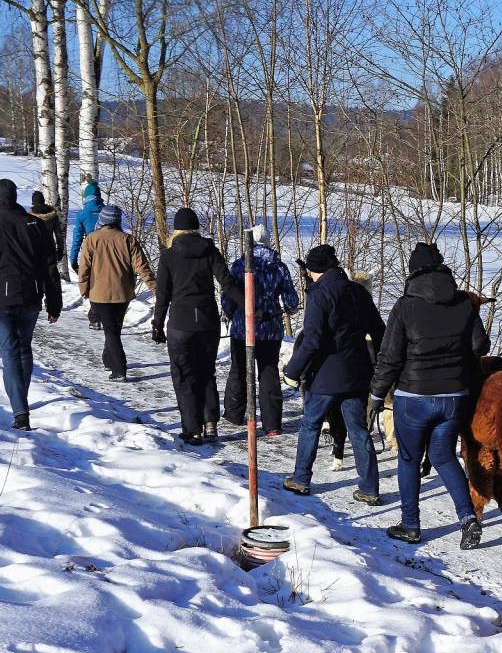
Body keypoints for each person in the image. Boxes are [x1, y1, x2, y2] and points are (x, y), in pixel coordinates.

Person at [371, 241, 489, 546]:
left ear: (413, 273)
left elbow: (390, 357)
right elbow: (480, 347)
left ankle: (410, 524)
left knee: (409, 459)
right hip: (454, 397)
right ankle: (467, 518)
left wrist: (375, 395)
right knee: (443, 456)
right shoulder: (463, 304)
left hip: (414, 397)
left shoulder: (405, 306)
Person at [283, 244, 385, 504]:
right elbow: (379, 331)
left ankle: (301, 478)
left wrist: (292, 371)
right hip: (356, 374)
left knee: (310, 425)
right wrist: (381, 367)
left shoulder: (320, 294)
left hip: (326, 376)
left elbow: (313, 339)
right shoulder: (359, 292)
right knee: (359, 431)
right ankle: (370, 488)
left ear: (314, 270)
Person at [0, 178, 62, 430]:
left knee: (10, 353)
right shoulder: (35, 225)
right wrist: (54, 302)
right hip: (31, 296)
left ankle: (20, 412)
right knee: (23, 349)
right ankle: (21, 400)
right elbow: (50, 267)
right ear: (15, 198)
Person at [151, 208, 233, 445]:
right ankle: (210, 422)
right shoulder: (210, 251)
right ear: (196, 227)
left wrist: (157, 324)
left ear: (176, 229)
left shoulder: (168, 256)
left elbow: (163, 295)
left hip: (180, 323)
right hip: (208, 321)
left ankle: (192, 429)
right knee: (207, 371)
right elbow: (226, 283)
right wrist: (250, 306)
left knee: (184, 375)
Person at [222, 225, 299, 437]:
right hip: (270, 328)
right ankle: (272, 424)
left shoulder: (239, 265)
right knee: (268, 373)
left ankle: (234, 414)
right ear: (267, 243)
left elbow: (228, 296)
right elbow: (292, 301)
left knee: (239, 370)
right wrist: (285, 307)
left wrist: (231, 314)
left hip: (242, 326)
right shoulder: (279, 267)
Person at [76, 204, 155, 381]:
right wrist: (155, 287)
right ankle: (108, 360)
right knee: (113, 329)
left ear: (102, 221)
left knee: (111, 331)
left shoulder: (91, 239)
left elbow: (84, 268)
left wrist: (84, 288)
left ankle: (119, 369)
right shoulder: (128, 239)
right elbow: (142, 267)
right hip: (122, 293)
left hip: (98, 293)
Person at [68, 180, 103, 326]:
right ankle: (99, 315)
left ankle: (95, 317)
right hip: (109, 251)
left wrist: (73, 259)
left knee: (93, 283)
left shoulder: (82, 214)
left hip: (90, 252)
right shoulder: (107, 210)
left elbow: (76, 238)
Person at [28, 190, 68, 282]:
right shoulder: (53, 215)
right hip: (50, 250)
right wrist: (60, 250)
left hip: (35, 251)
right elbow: (59, 235)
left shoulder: (29, 216)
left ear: (33, 202)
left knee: (37, 278)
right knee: (51, 278)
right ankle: (52, 295)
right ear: (43, 200)